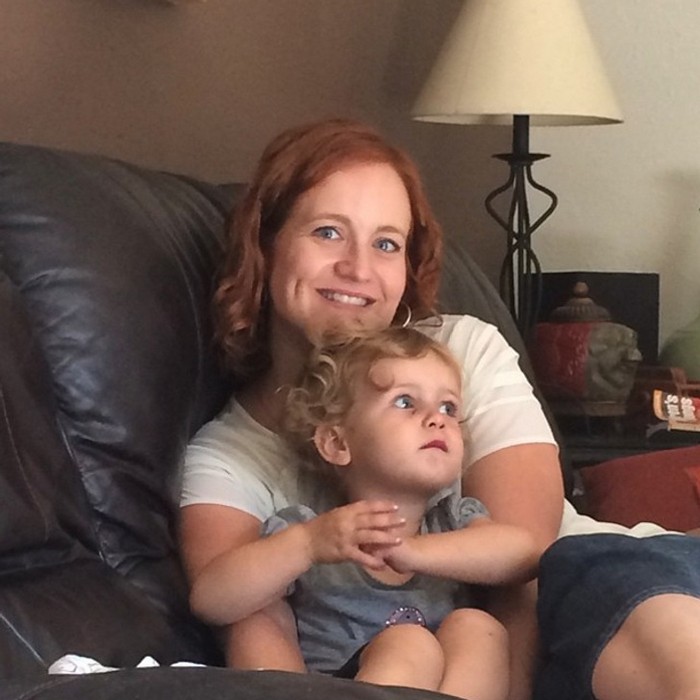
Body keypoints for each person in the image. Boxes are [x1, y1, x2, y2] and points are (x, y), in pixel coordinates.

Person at [179, 117, 700, 700]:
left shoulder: (460, 350)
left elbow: (527, 561)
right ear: (264, 245)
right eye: (328, 232)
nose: (358, 269)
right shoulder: (230, 460)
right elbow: (241, 615)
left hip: (591, 586)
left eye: (386, 244)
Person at [190, 326, 540, 700]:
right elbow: (211, 601)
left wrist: (415, 551)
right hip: (343, 686)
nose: (437, 419)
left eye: (448, 408)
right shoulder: (313, 530)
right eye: (405, 402)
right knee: (409, 643)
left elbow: (524, 556)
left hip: (441, 681)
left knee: (479, 628)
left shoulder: (451, 520)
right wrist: (307, 545)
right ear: (337, 442)